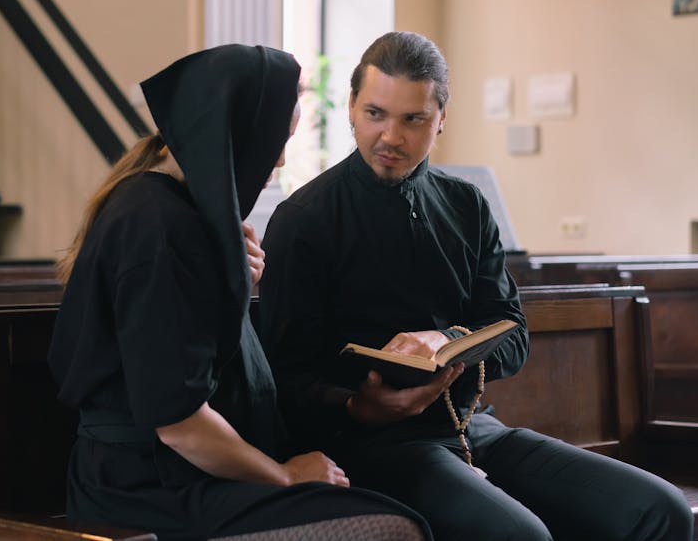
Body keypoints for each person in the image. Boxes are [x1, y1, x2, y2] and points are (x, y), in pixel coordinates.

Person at [259, 31, 694, 541]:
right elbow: (282, 376)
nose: (390, 137)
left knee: (662, 509)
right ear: (352, 108)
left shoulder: (466, 205)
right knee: (521, 537)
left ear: (441, 118)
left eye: (412, 119)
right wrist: (357, 406)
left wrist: (446, 339)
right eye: (376, 114)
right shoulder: (303, 219)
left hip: (473, 427)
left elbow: (514, 337)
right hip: (370, 445)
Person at [47, 44, 429, 541]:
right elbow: (179, 423)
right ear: (238, 132)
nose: (280, 160)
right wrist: (286, 476)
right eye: (278, 140)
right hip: (147, 488)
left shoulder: (175, 211)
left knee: (403, 498)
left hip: (183, 471)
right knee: (389, 529)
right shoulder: (158, 225)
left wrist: (229, 286)